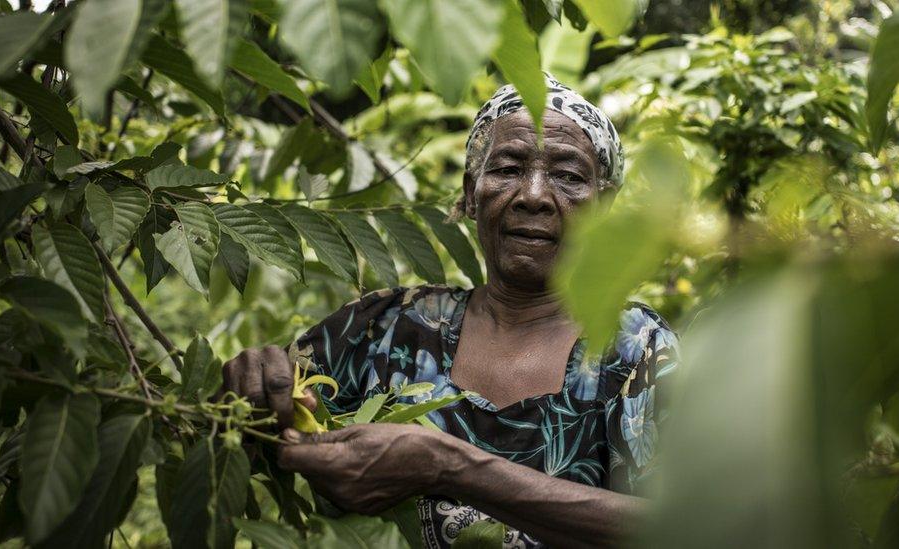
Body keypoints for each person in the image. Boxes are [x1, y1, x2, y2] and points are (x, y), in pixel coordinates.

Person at [222, 75, 680, 548]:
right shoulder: (386, 327)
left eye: (568, 176)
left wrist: (449, 467)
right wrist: (252, 382)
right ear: (469, 192)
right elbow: (256, 411)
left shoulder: (635, 349)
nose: (535, 196)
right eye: (507, 168)